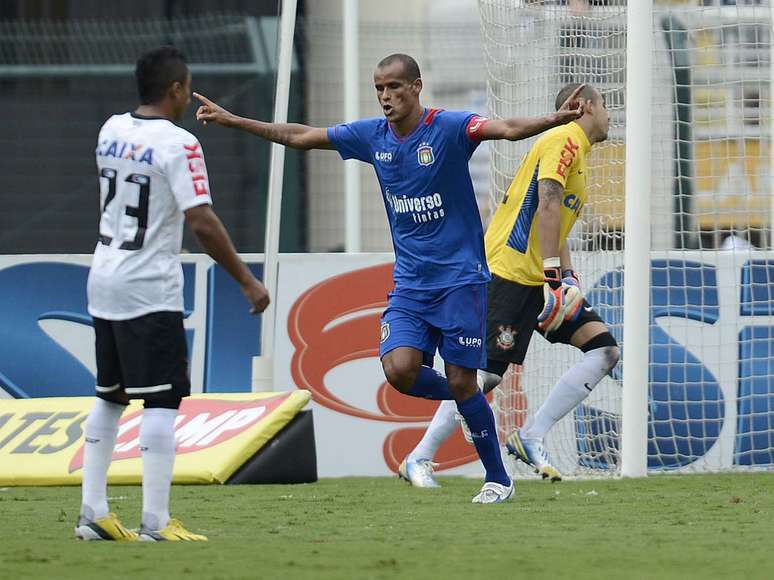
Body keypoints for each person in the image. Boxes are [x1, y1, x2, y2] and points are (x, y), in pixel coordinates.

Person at [194, 53, 582, 503]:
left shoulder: (449, 128)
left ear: (416, 87)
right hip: (411, 285)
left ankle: (498, 478)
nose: (385, 96)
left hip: (460, 281)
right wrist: (235, 120)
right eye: (379, 88)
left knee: (460, 379)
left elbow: (507, 129)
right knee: (399, 371)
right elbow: (301, 135)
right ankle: (468, 401)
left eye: (394, 87)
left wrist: (554, 120)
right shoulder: (370, 136)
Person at [76, 46, 269, 541]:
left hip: (104, 275)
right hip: (147, 286)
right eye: (186, 87)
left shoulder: (110, 130)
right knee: (162, 401)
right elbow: (201, 221)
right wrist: (246, 280)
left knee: (110, 394)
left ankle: (93, 513)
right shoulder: (178, 144)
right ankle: (155, 523)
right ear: (177, 90)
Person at [401, 83, 620, 486]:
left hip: (541, 279)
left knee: (604, 351)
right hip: (509, 273)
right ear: (583, 106)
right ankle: (419, 457)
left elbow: (556, 220)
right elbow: (547, 202)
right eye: (604, 105)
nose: (609, 114)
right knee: (482, 378)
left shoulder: (579, 154)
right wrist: (556, 276)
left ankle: (531, 435)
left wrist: (565, 276)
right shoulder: (563, 137)